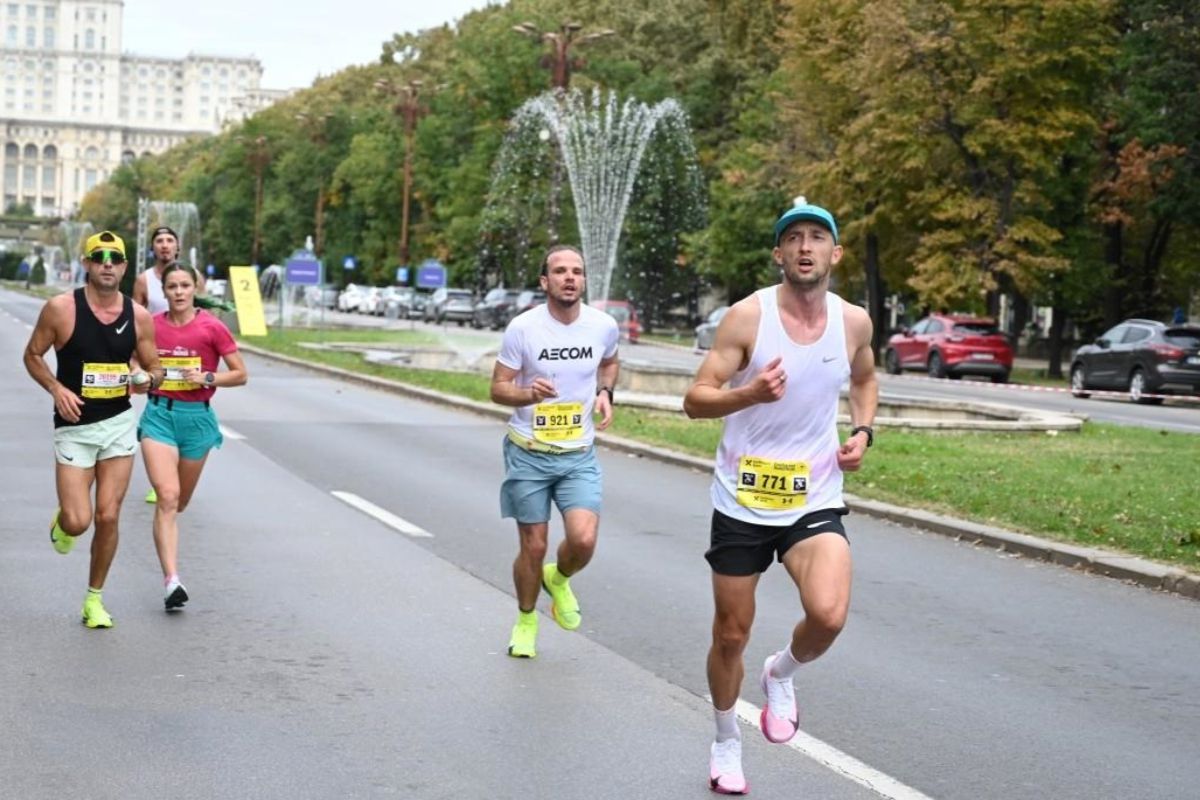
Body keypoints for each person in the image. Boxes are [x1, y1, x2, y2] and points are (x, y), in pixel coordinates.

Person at [683, 199, 879, 794]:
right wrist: (749, 395)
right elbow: (695, 399)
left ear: (834, 253)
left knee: (828, 613)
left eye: (817, 237)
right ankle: (725, 739)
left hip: (813, 491)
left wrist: (863, 431)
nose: (804, 247)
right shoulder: (746, 318)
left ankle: (781, 673)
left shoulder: (854, 322)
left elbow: (866, 379)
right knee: (730, 634)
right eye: (793, 238)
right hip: (742, 498)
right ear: (778, 254)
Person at [22, 231, 163, 629]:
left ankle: (94, 599)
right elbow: (32, 355)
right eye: (98, 256)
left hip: (118, 425)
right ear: (86, 263)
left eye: (114, 257)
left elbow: (156, 369)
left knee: (108, 516)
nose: (107, 263)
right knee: (79, 520)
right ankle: (63, 522)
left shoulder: (138, 316)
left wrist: (145, 379)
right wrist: (56, 388)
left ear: (123, 266)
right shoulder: (60, 309)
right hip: (74, 427)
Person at [489, 245, 620, 659]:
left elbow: (611, 362)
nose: (569, 277)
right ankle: (527, 619)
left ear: (583, 280)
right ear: (545, 282)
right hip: (529, 451)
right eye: (560, 271)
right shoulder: (524, 329)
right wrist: (528, 393)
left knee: (583, 540)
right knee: (534, 545)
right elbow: (497, 388)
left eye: (576, 271)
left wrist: (605, 392)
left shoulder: (602, 326)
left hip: (578, 453)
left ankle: (558, 578)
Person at [137, 261, 247, 610]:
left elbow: (240, 374)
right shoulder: (151, 326)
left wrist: (209, 379)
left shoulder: (212, 328)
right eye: (172, 287)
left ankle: (171, 571)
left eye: (185, 286)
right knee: (167, 497)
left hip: (197, 420)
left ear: (194, 288)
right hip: (159, 416)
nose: (179, 292)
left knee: (179, 501)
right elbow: (132, 362)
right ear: (164, 291)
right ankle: (172, 581)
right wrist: (139, 376)